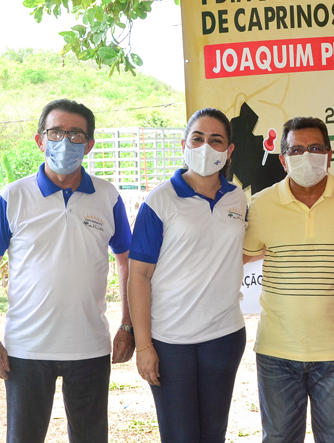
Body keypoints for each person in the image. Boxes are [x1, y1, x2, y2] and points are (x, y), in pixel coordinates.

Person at [0, 99, 134, 443]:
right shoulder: (12, 197)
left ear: (89, 145)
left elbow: (126, 262)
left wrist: (127, 325)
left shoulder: (107, 197)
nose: (65, 141)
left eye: (76, 134)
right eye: (56, 132)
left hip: (89, 347)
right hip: (27, 350)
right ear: (40, 140)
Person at [242, 116, 334, 443]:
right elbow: (245, 255)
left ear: (330, 154)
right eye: (297, 149)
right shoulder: (262, 204)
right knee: (279, 438)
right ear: (283, 159)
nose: (307, 156)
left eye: (315, 148)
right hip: (277, 350)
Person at [128, 108, 247, 443]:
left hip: (224, 336)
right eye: (198, 138)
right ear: (184, 143)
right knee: (180, 435)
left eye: (216, 140)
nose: (206, 147)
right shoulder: (160, 200)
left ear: (229, 151)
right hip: (170, 342)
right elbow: (139, 275)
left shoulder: (237, 198)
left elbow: (235, 250)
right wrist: (144, 344)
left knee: (213, 434)